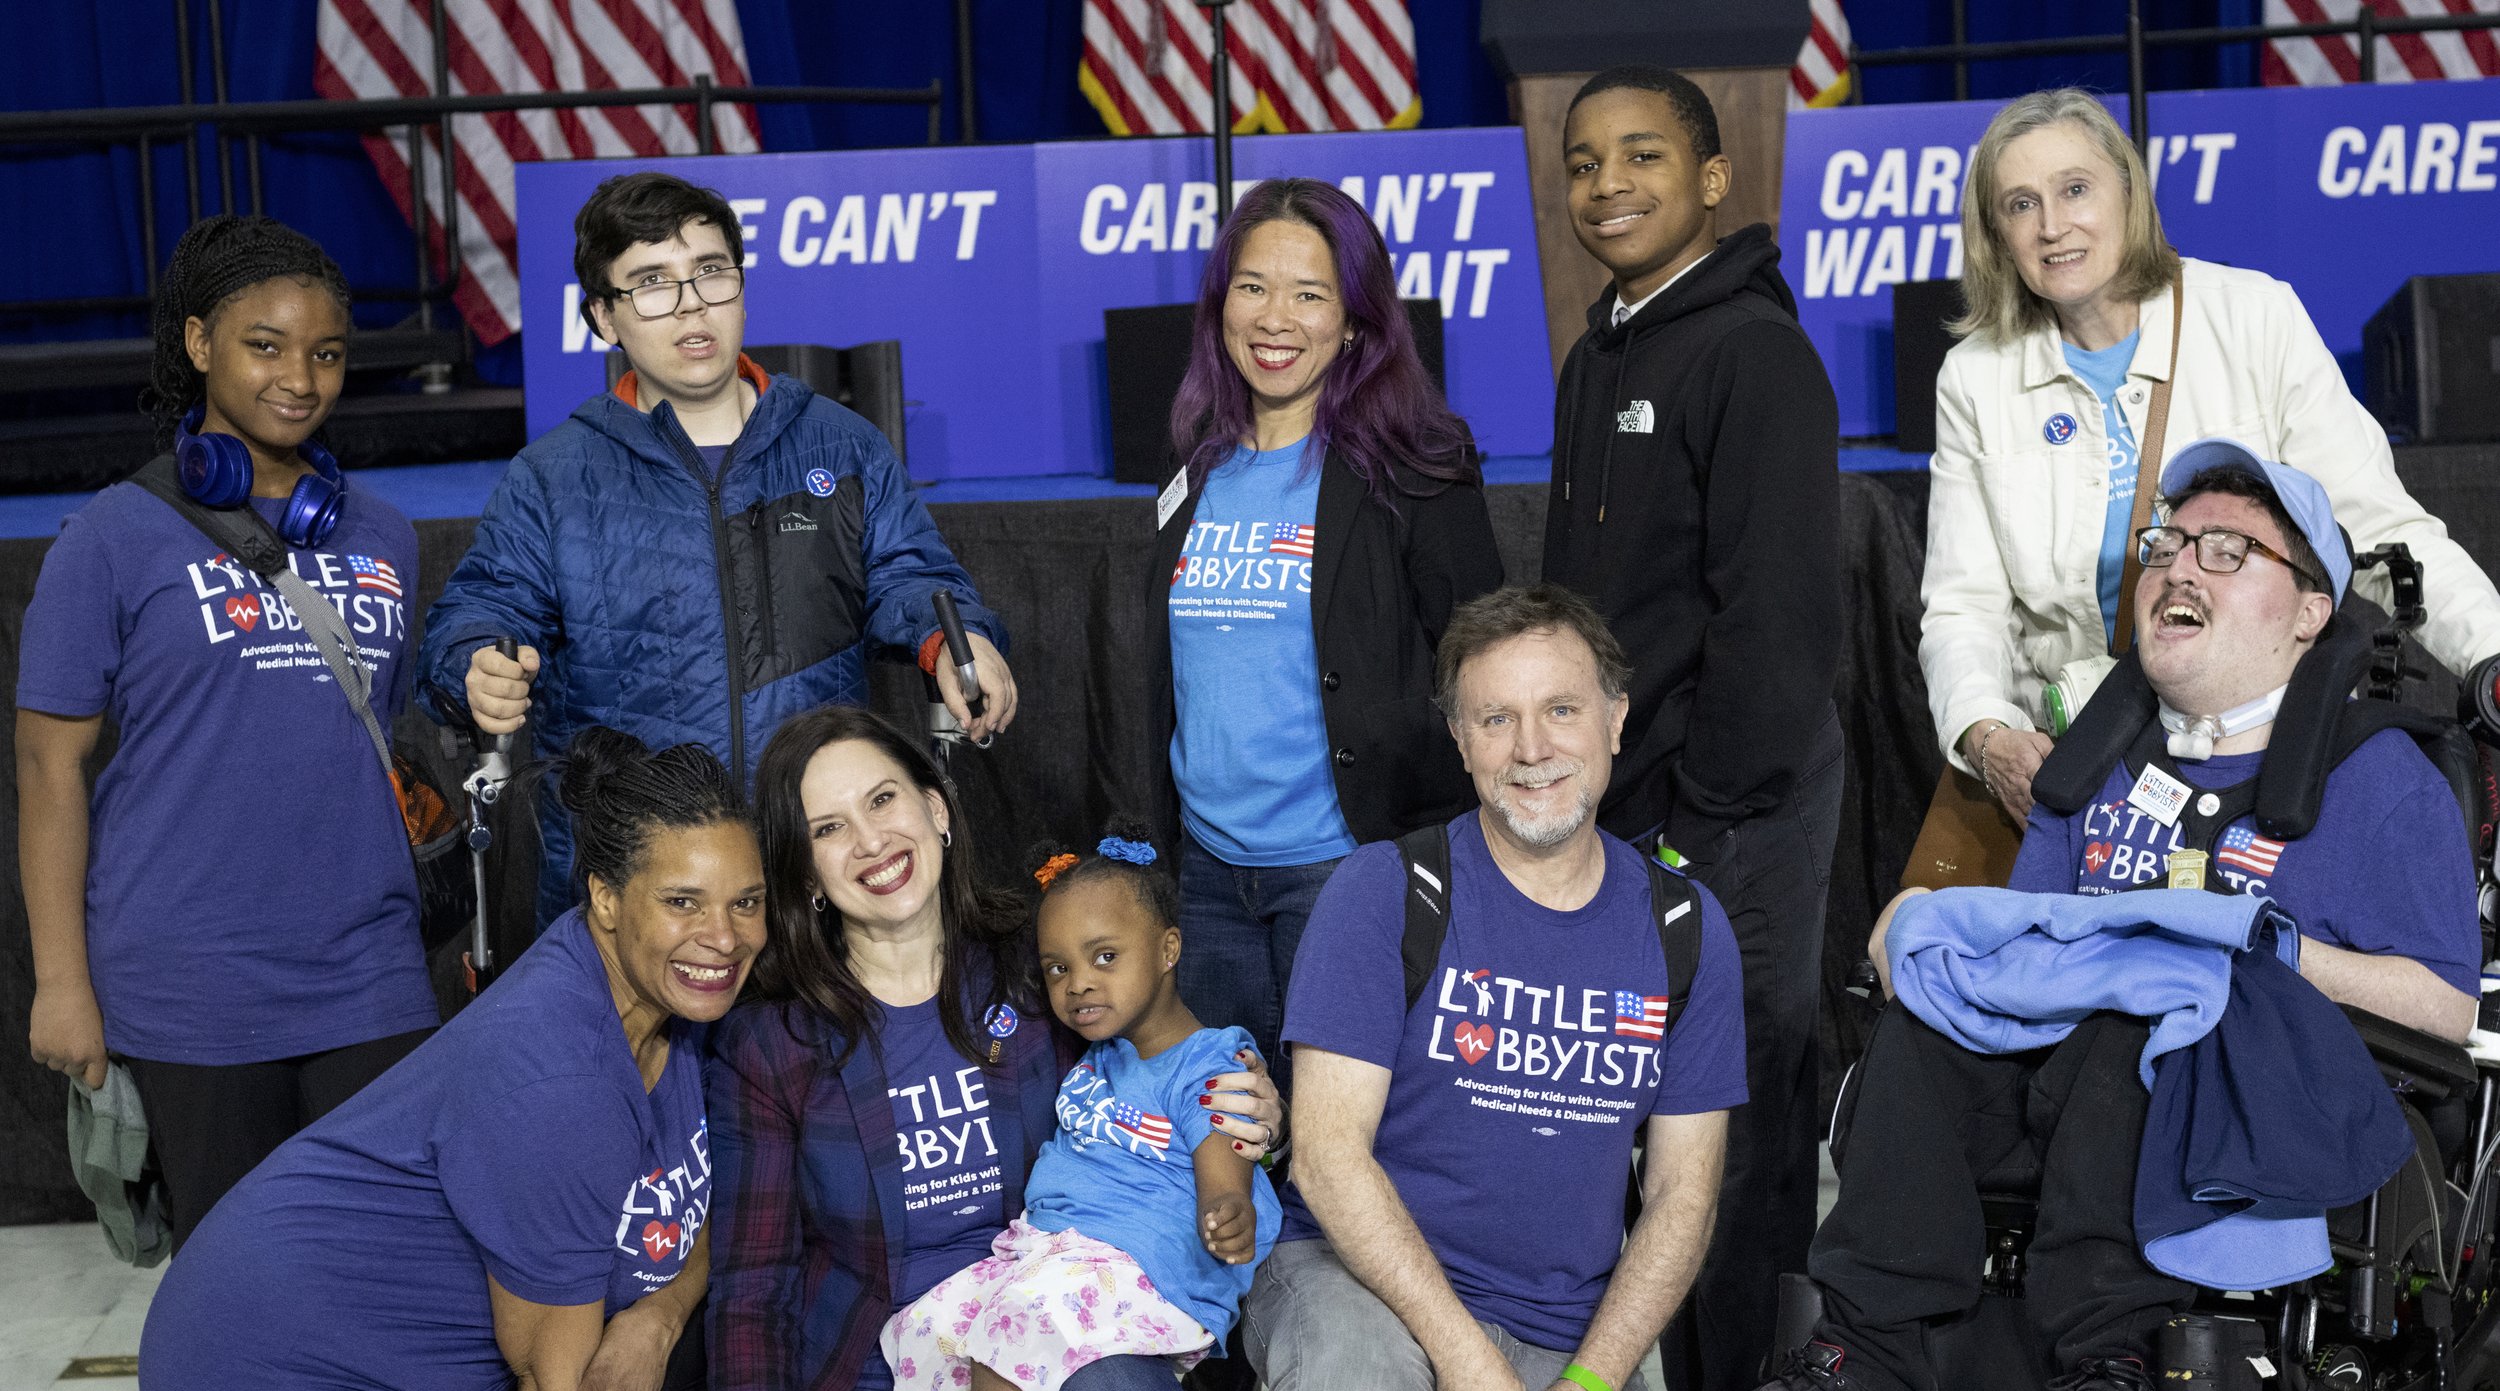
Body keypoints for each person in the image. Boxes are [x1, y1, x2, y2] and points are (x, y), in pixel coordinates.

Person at [1654, 447, 2479, 1391]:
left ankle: (2117, 1373)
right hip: (2077, 1097)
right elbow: (2032, 961)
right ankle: (1866, 1378)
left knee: (2140, 1000)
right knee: (1931, 1010)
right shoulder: (2097, 768)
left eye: (2228, 551)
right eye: (2167, 545)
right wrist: (1933, 935)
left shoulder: (2382, 777)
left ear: (2310, 610)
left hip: (2283, 1111)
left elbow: (2445, 1012)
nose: (2182, 567)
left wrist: (2255, 945)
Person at [10, 729, 766, 1391]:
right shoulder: (560, 1079)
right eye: (683, 901)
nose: (723, 937)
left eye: (746, 901)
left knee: (696, 1378)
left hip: (425, 1359)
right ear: (606, 900)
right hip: (278, 1381)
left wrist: (656, 1318)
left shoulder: (678, 1008)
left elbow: (690, 1212)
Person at [685, 707, 1282, 1391]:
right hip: (869, 1377)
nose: (871, 840)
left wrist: (1254, 1111)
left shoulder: (1034, 964)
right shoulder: (773, 1039)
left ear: (936, 807)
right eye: (830, 827)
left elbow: (1169, 1045)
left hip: (1044, 1335)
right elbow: (751, 1280)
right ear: (803, 870)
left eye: (884, 801)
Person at [1248, 584, 1742, 1391]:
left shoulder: (1682, 928)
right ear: (1460, 737)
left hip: (1559, 1329)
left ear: (1617, 719)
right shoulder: (1387, 889)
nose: (1531, 748)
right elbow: (1327, 1159)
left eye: (1560, 710)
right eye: (1494, 717)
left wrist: (1590, 1387)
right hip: (1360, 1277)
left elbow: (1681, 1196)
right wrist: (1464, 1358)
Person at [1537, 63, 1844, 1391]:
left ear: (1715, 178)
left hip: (1735, 823)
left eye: (1643, 155)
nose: (1607, 185)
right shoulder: (1604, 353)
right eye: (1584, 162)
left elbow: (1778, 631)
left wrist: (1692, 821)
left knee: (1744, 1154)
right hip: (1641, 824)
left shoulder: (1755, 356)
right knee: (1654, 1156)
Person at [417, 170, 1017, 929]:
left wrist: (953, 641)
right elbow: (479, 608)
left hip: (810, 862)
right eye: (651, 284)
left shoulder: (838, 441)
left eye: (710, 272)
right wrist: (474, 664)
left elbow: (913, 574)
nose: (692, 304)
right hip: (639, 880)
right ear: (604, 316)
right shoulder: (554, 476)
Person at [16, 214, 437, 1248]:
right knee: (236, 1288)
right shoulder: (110, 536)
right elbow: (48, 768)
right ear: (200, 343)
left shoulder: (384, 533)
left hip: (370, 976)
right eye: (265, 344)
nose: (301, 376)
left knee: (380, 1273)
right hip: (192, 984)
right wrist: (64, 984)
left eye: (326, 352)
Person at [1923, 86, 2500, 826]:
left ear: (2129, 195)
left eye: (2075, 190)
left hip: (2268, 751)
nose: (2053, 226)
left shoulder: (2253, 316)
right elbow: (1962, 608)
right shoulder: (1977, 375)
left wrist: (2490, 649)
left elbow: (2388, 535)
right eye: (2021, 204)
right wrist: (1987, 733)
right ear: (1996, 232)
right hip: (2084, 760)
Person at [867, 830, 1282, 1391]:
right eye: (1058, 968)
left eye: (1103, 956)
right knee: (920, 1330)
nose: (1078, 983)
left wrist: (1227, 1203)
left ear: (1168, 948)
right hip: (1051, 1260)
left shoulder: (1210, 1057)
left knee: (1012, 1325)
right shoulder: (1097, 1058)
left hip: (1146, 1274)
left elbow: (1222, 1148)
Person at [1145, 175, 1504, 1081]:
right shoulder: (1197, 463)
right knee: (1236, 1150)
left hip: (1345, 872)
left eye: (1311, 294)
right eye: (1254, 285)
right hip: (1209, 878)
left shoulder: (1418, 464)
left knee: (1342, 1157)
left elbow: (1487, 659)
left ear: (1354, 320)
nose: (1276, 317)